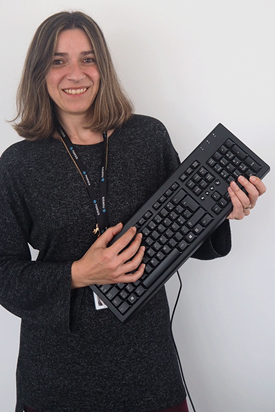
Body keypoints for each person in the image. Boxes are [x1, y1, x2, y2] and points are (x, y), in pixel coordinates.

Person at [0, 11, 266, 412]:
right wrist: (78, 273)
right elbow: (4, 272)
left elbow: (183, 230)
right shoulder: (17, 164)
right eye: (58, 61)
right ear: (39, 72)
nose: (75, 73)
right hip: (57, 377)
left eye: (88, 59)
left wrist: (222, 210)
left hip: (147, 367)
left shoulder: (147, 136)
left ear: (102, 68)